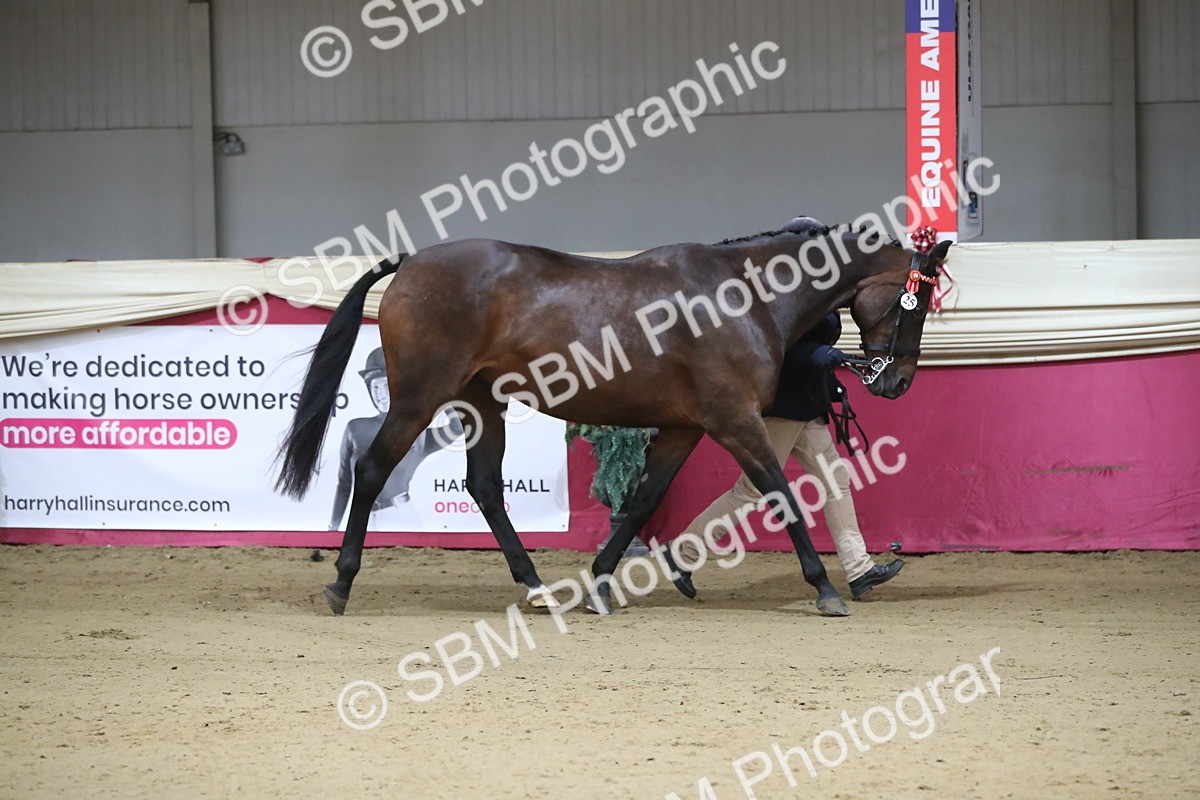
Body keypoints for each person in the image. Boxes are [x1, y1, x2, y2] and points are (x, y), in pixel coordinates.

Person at [665, 311, 904, 600]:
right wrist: (822, 355)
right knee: (751, 490)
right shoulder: (790, 289)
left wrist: (830, 379)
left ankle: (859, 569)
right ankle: (684, 553)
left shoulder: (826, 295)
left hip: (808, 405)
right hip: (784, 406)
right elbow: (780, 344)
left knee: (835, 481)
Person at [327, 347, 463, 531]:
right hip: (363, 519)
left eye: (387, 385)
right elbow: (344, 483)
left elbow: (458, 427)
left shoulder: (416, 431)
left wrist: (439, 390)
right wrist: (332, 528)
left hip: (402, 517)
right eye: (375, 387)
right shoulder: (355, 429)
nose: (380, 394)